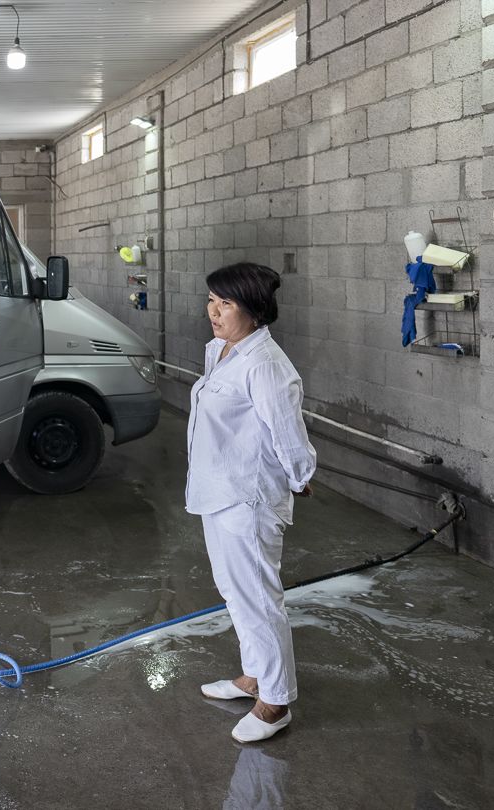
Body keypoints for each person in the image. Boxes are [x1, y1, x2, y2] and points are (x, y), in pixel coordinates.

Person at [186, 262, 316, 743]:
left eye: (226, 303)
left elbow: (288, 433)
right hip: (218, 491)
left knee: (258, 598)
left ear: (254, 310)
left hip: (248, 499)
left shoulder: (265, 364)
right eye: (211, 300)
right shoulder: (222, 350)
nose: (213, 311)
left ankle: (275, 702)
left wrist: (300, 477)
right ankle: (255, 676)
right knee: (234, 590)